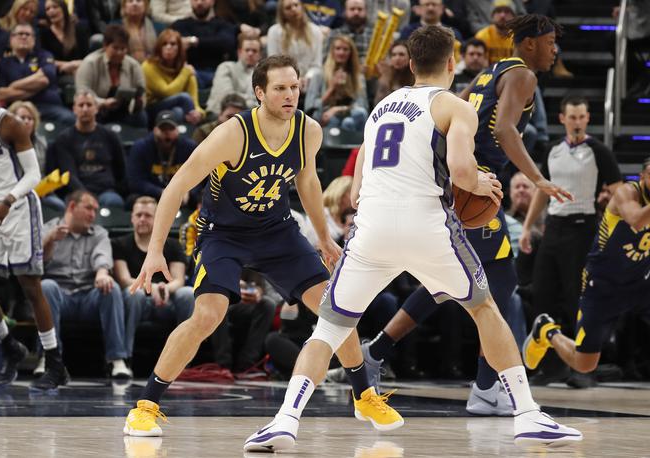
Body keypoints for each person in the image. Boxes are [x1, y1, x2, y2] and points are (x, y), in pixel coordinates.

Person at [245, 25, 581, 453]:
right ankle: (528, 414)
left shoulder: (380, 107)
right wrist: (482, 184)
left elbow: (354, 191)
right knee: (484, 308)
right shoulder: (455, 106)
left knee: (327, 329)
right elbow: (461, 173)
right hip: (426, 224)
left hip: (372, 228)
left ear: (411, 62)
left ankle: (284, 420)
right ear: (451, 62)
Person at [122, 55, 399, 436]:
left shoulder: (308, 131)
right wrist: (155, 250)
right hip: (223, 233)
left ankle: (364, 396)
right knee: (208, 315)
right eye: (280, 89)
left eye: (295, 87)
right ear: (259, 93)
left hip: (276, 230)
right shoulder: (232, 134)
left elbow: (307, 183)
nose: (290, 95)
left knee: (335, 305)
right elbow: (175, 188)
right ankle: (146, 405)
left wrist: (321, 237)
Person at [357, 14, 575, 417]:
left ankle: (379, 352)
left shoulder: (488, 74)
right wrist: (538, 179)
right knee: (495, 282)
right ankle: (485, 387)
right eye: (549, 42)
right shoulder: (524, 76)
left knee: (453, 282)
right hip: (472, 186)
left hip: (460, 185)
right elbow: (507, 131)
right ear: (529, 45)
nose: (554, 49)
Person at [0, 66, 68, 390]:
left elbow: (34, 175)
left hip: (19, 208)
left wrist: (8, 200)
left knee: (30, 286)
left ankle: (54, 361)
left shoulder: (10, 123)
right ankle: (10, 346)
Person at [519, 95, 622, 386]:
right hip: (554, 228)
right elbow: (542, 190)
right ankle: (550, 366)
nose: (577, 122)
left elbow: (618, 190)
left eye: (581, 117)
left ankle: (581, 368)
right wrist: (528, 227)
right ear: (562, 119)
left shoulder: (598, 150)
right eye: (571, 117)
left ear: (588, 118)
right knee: (544, 295)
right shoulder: (552, 149)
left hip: (584, 229)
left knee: (578, 298)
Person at [522, 159, 650, 382]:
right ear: (642, 177)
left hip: (641, 282)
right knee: (585, 363)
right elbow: (636, 220)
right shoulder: (626, 193)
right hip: (602, 284)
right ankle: (546, 330)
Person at [40, 189, 132, 379]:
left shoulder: (99, 233)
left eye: (95, 210)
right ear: (72, 207)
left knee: (111, 287)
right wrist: (49, 240)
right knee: (46, 287)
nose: (93, 214)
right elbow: (36, 265)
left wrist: (102, 272)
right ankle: (49, 357)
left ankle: (117, 360)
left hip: (89, 295)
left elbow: (102, 255)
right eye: (88, 208)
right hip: (59, 295)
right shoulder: (48, 228)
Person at [112, 196, 195, 361]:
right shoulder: (119, 243)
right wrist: (151, 287)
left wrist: (164, 289)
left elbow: (178, 280)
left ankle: (182, 359)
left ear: (157, 218)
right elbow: (124, 279)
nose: (142, 219)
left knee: (187, 293)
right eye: (139, 215)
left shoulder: (172, 245)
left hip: (167, 300)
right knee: (134, 294)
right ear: (132, 217)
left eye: (148, 216)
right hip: (136, 301)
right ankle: (124, 359)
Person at [47, 89, 128, 208]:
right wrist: (85, 196)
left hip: (106, 193)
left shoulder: (110, 136)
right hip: (77, 193)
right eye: (81, 105)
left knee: (114, 202)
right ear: (74, 109)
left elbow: (121, 170)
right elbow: (69, 175)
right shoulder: (64, 139)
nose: (85, 109)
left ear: (96, 108)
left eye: (89, 105)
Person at [0, 23, 76, 126]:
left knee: (69, 119)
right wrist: (35, 87)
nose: (24, 37)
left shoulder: (44, 56)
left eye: (28, 34)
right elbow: (1, 94)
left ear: (34, 39)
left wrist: (14, 85)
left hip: (48, 106)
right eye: (20, 34)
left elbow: (44, 80)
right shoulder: (2, 64)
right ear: (11, 38)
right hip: (16, 109)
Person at [75, 24, 147, 128]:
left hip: (125, 111)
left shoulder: (134, 66)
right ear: (105, 46)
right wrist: (103, 102)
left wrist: (136, 103)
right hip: (98, 111)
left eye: (123, 49)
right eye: (115, 48)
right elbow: (82, 92)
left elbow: (142, 93)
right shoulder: (89, 63)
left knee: (141, 116)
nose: (119, 53)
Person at [126, 110, 198, 200]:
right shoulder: (141, 147)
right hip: (152, 195)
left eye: (171, 129)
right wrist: (160, 192)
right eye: (163, 129)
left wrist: (189, 192)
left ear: (177, 130)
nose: (167, 133)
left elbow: (199, 176)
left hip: (181, 195)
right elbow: (135, 181)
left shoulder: (189, 147)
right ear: (155, 130)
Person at [305, 34, 368, 131]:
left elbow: (363, 106)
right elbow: (309, 109)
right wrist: (331, 88)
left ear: (351, 53)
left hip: (351, 116)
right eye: (338, 49)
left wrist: (336, 110)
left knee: (352, 120)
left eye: (345, 49)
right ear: (332, 52)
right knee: (337, 121)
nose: (341, 52)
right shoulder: (319, 75)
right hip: (324, 118)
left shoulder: (358, 76)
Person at [142, 29, 205, 126]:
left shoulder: (185, 69)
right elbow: (166, 92)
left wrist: (199, 113)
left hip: (173, 111)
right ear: (159, 47)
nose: (168, 47)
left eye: (173, 44)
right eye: (164, 44)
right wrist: (184, 73)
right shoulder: (148, 66)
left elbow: (194, 100)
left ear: (179, 48)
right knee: (184, 98)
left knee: (178, 111)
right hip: (152, 109)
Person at [170, 0, 238, 89]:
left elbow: (226, 43)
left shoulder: (223, 24)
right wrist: (211, 44)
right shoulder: (179, 25)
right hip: (190, 71)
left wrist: (193, 41)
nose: (199, 3)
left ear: (212, 2)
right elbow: (176, 44)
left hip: (217, 73)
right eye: (195, 0)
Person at [266, 0, 323, 86]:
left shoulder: (316, 31)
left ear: (302, 6)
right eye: (288, 8)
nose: (294, 9)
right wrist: (293, 80)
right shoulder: (274, 32)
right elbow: (273, 64)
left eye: (296, 5)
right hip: (283, 81)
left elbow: (317, 64)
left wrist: (307, 78)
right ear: (282, 13)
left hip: (310, 83)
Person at [204, 33, 261, 117]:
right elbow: (227, 97)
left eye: (254, 51)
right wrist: (252, 102)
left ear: (260, 55)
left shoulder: (263, 73)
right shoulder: (226, 67)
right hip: (220, 116)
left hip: (251, 117)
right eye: (247, 50)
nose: (250, 53)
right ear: (239, 52)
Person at [38, 0, 90, 76]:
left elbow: (87, 58)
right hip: (57, 74)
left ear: (63, 9)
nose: (51, 11)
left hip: (80, 71)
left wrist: (74, 65)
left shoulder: (79, 30)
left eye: (55, 7)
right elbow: (45, 60)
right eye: (47, 9)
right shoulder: (44, 34)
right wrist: (69, 65)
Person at [372, 40, 414, 105]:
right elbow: (378, 104)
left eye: (401, 54)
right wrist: (385, 80)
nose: (397, 58)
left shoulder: (415, 77)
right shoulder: (386, 74)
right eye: (394, 55)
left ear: (409, 58)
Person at [474, 0, 515, 64]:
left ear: (513, 16)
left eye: (507, 11)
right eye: (498, 11)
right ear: (492, 16)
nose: (502, 15)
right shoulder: (482, 36)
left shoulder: (519, 37)